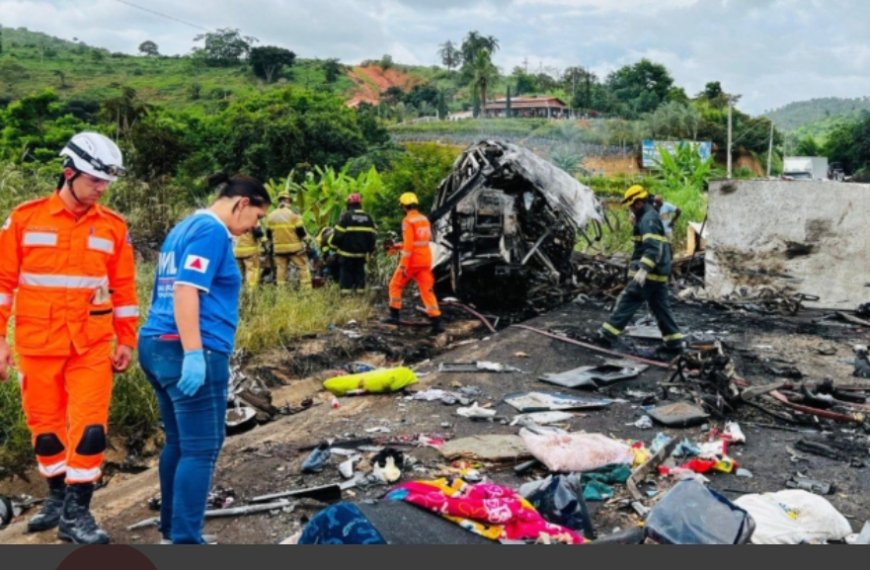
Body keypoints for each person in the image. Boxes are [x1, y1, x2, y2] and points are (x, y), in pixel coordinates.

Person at [0, 132, 138, 544]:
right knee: (44, 429)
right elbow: (3, 285)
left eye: (106, 182)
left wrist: (126, 340)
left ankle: (77, 514)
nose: (101, 188)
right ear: (69, 173)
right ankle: (57, 497)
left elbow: (124, 290)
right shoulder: (24, 220)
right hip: (38, 343)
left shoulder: (113, 228)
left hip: (91, 346)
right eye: (94, 180)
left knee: (91, 428)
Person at [137, 174, 270, 544]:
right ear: (242, 203)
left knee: (179, 443)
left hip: (156, 343)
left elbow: (161, 289)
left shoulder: (183, 228)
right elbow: (184, 290)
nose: (252, 228)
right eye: (256, 218)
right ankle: (184, 541)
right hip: (190, 347)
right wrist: (194, 352)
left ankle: (173, 531)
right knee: (201, 448)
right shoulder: (211, 233)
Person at [597, 185, 685, 353]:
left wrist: (643, 269)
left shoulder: (648, 219)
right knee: (661, 307)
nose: (630, 210)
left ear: (637, 203)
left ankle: (607, 334)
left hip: (649, 274)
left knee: (630, 299)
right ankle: (674, 341)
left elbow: (653, 247)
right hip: (658, 273)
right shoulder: (649, 216)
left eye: (631, 206)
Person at [384, 192, 444, 334]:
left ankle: (394, 316)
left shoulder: (408, 221)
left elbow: (410, 245)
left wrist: (404, 264)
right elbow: (420, 241)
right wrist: (397, 246)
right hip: (425, 259)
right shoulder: (424, 219)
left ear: (403, 206)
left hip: (412, 261)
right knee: (427, 290)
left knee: (395, 285)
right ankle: (437, 323)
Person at [329, 193, 377, 293]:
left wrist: (332, 246)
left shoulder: (346, 216)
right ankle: (360, 295)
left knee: (346, 275)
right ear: (360, 204)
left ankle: (346, 297)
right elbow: (372, 237)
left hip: (346, 254)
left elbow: (338, 234)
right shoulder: (368, 217)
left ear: (349, 204)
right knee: (360, 274)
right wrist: (371, 250)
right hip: (361, 255)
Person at [265, 192, 311, 289]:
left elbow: (268, 234)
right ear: (288, 200)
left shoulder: (271, 215)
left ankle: (281, 291)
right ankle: (306, 290)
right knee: (303, 267)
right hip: (294, 248)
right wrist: (307, 240)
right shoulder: (294, 214)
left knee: (281, 269)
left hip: (278, 249)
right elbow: (300, 231)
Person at [233, 225, 265, 289]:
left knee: (241, 272)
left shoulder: (235, 220)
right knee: (252, 270)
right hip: (250, 251)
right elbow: (258, 234)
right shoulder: (252, 220)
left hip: (237, 251)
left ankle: (241, 290)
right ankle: (251, 291)